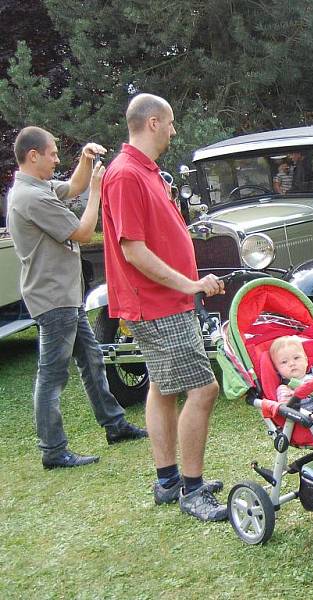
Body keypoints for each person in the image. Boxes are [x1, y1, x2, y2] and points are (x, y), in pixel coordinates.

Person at [101, 94, 227, 522]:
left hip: (166, 301)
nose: (174, 131)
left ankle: (168, 480)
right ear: (153, 123)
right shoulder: (125, 175)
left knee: (161, 386)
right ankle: (192, 489)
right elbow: (133, 250)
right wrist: (190, 283)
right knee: (205, 389)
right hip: (156, 305)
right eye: (170, 123)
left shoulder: (147, 172)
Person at [6, 126, 147, 470]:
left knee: (92, 358)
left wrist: (86, 159)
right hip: (52, 298)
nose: (57, 159)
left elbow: (74, 186)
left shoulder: (38, 186)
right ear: (33, 156)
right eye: (53, 154)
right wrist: (98, 192)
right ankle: (53, 451)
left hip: (65, 296)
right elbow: (83, 233)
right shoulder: (31, 198)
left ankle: (114, 425)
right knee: (52, 376)